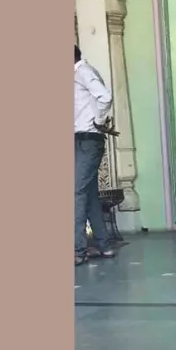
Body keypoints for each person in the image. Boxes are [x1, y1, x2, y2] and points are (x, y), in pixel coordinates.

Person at [74, 44, 118, 266]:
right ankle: (104, 244)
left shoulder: (83, 71)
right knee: (88, 193)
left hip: (88, 139)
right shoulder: (79, 74)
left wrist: (99, 121)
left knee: (76, 192)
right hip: (81, 139)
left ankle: (77, 250)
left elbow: (105, 97)